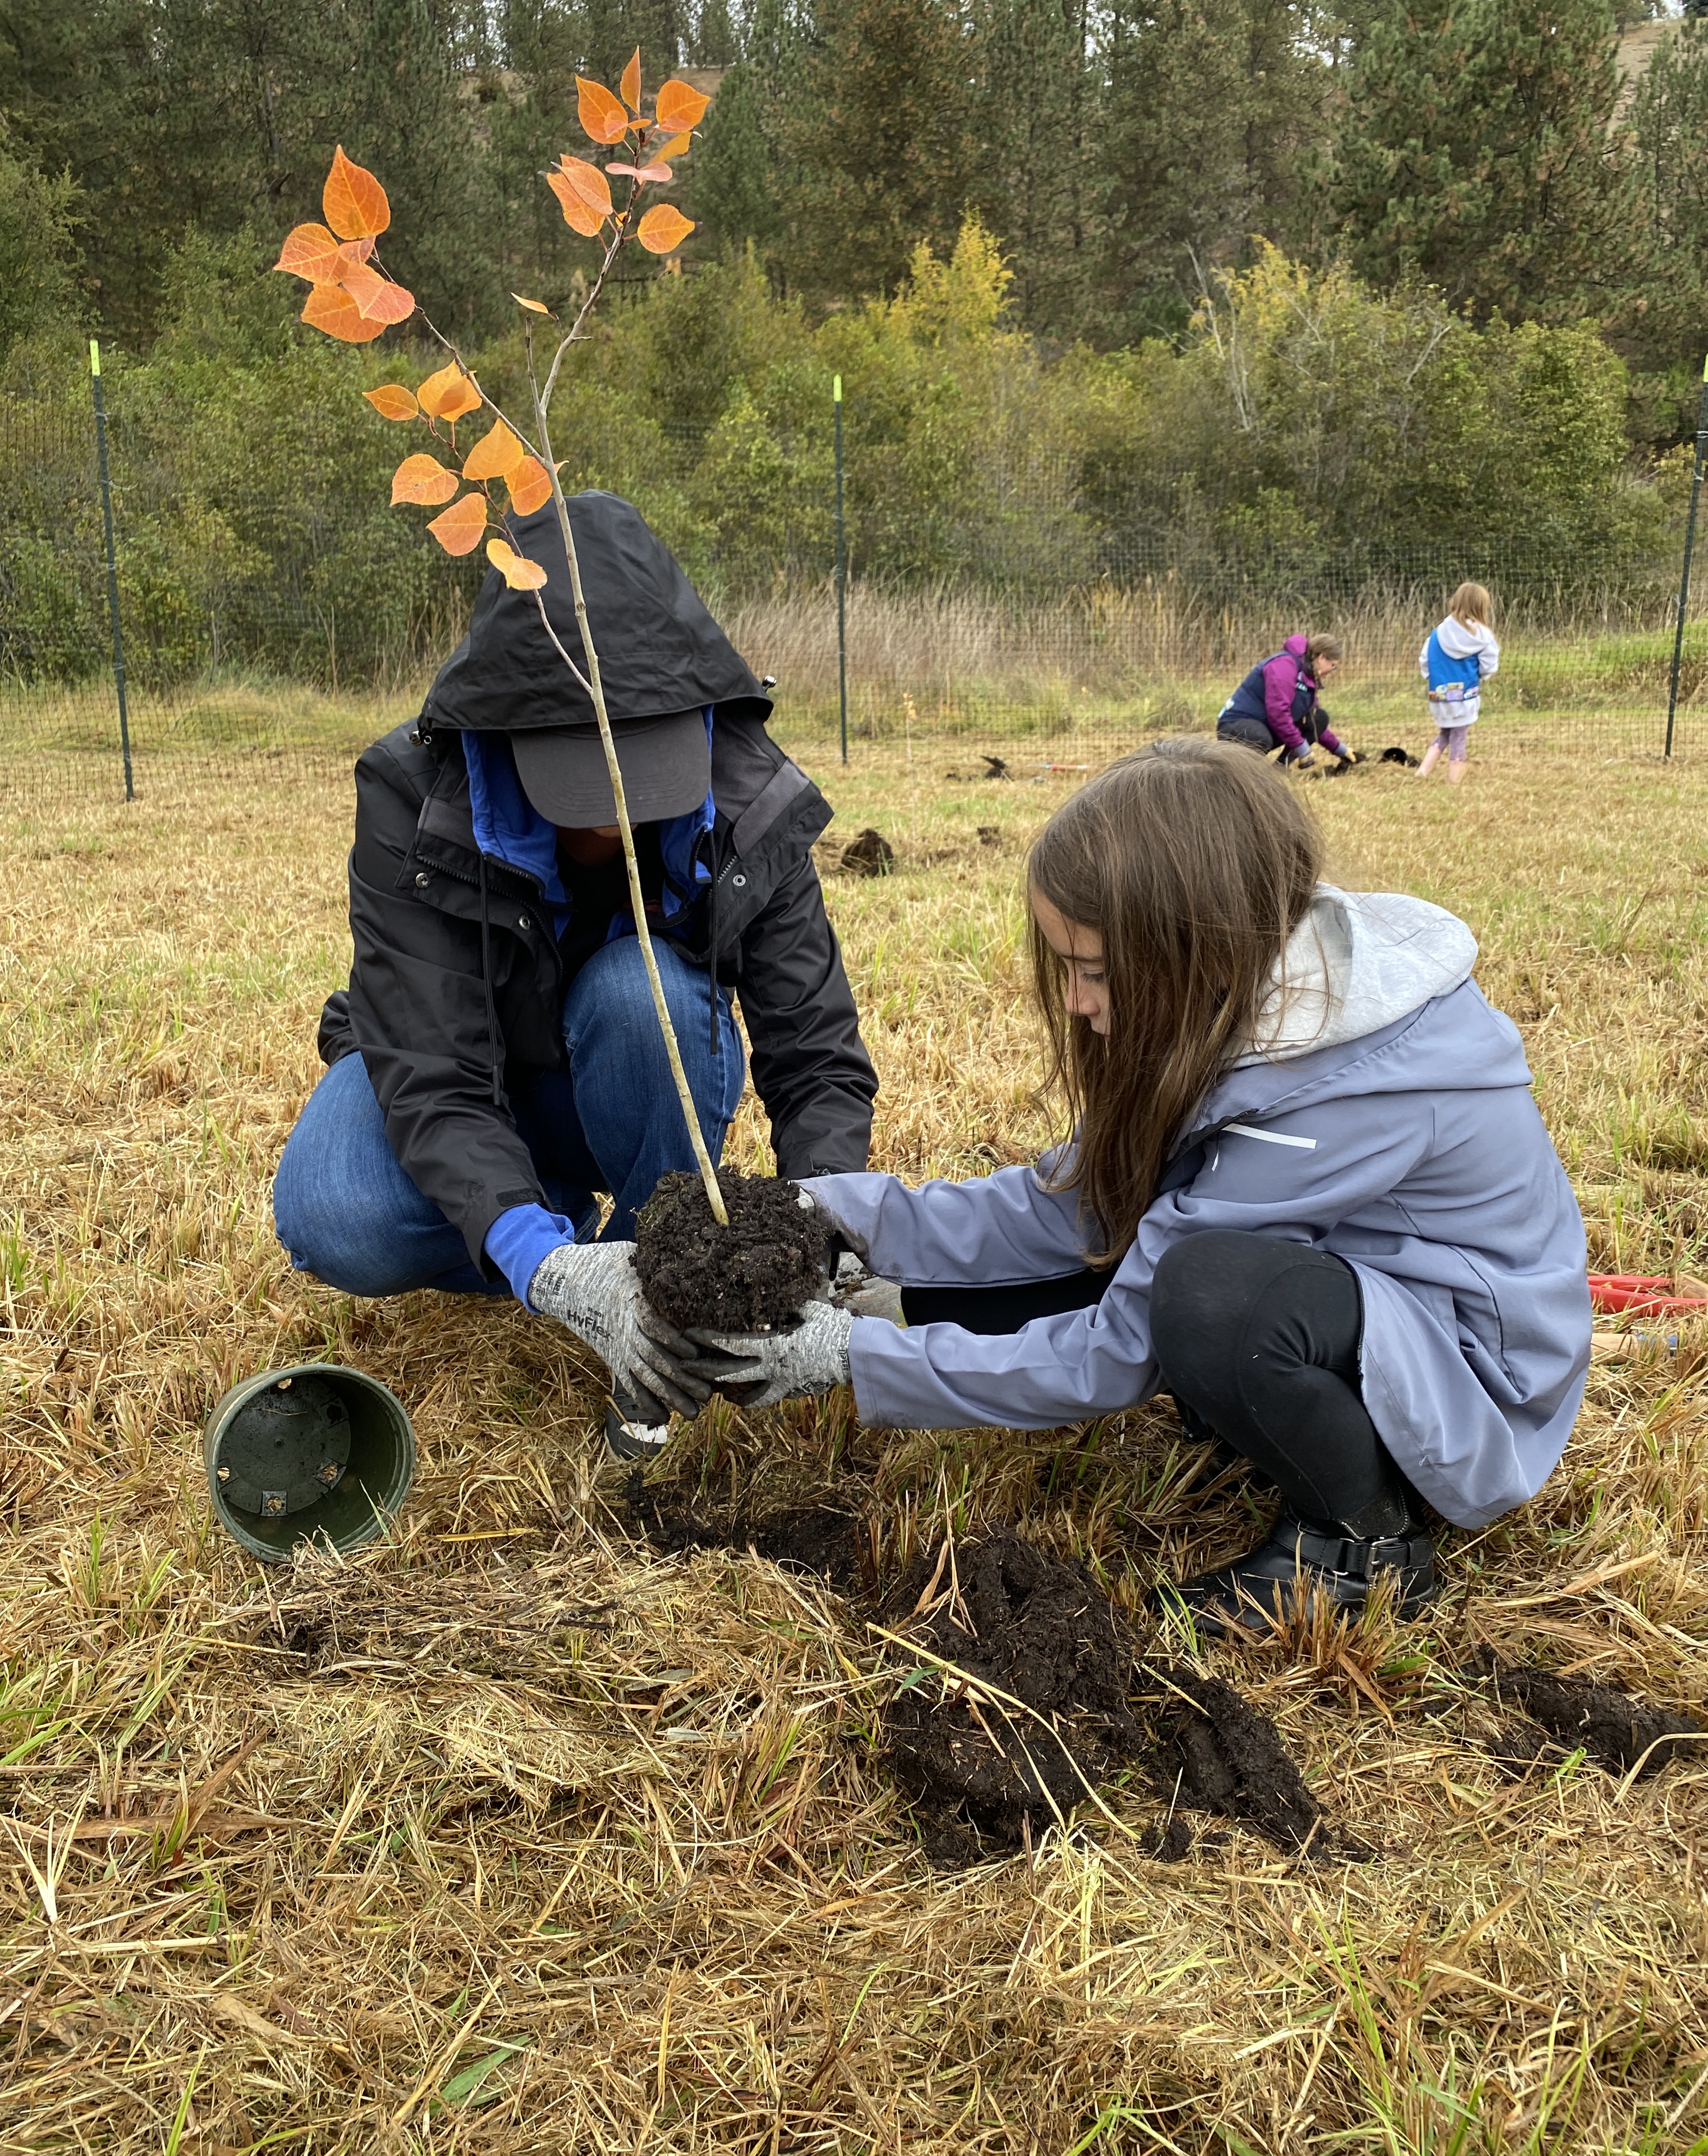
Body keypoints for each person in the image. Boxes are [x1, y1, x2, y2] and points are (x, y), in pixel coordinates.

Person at [686, 739, 1591, 1634]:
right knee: (1135, 1252)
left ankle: (1359, 1545)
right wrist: (842, 1211)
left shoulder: (1339, 1091)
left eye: (1096, 972)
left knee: (1203, 1297)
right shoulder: (1248, 1000)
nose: (1076, 1003)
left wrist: (849, 1359)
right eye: (1066, 967)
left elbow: (1111, 1354)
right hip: (1359, 1298)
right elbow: (1072, 1205)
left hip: (1474, 1377)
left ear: (1193, 953)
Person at [273, 490, 878, 1464]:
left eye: (643, 776)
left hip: (627, 1068)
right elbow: (433, 1075)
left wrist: (828, 1224)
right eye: (580, 787)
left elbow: (816, 1055)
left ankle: (656, 1283)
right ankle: (559, 1240)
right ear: (500, 732)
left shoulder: (747, 796)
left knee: (641, 992)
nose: (612, 821)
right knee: (331, 1208)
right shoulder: (413, 797)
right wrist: (548, 1267)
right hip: (481, 1082)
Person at [1216, 632, 1356, 771]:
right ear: (1322, 658)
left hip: (1265, 725)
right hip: (1235, 725)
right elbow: (1279, 714)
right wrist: (1301, 747)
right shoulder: (1285, 666)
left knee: (1319, 718)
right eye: (1333, 665)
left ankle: (1279, 770)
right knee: (1259, 738)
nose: (1332, 671)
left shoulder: (1308, 677)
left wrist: (1340, 749)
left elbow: (1312, 723)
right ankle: (1236, 773)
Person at [1419, 582, 1500, 786]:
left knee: (1445, 733)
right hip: (1465, 698)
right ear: (1482, 606)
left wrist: (1435, 679)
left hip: (1439, 697)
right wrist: (1481, 675)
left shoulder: (1437, 633)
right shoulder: (1483, 636)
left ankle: (1423, 772)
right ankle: (1454, 780)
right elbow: (1489, 666)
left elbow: (1425, 661)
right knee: (1459, 737)